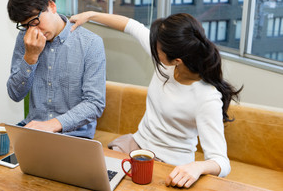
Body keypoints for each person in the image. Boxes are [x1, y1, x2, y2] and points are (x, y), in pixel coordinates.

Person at [69, 11, 242, 188]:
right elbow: (131, 26)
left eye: (157, 48)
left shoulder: (207, 97)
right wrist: (90, 15)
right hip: (136, 146)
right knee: (90, 180)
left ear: (177, 60)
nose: (153, 48)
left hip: (168, 163)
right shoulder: (166, 60)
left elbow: (221, 162)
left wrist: (197, 167)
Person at [6, 0, 106, 139]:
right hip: (33, 131)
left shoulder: (90, 43)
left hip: (74, 136)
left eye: (35, 22)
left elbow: (94, 104)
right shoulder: (25, 40)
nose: (33, 31)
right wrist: (30, 57)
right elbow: (14, 94)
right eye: (26, 26)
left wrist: (52, 125)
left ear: (52, 6)